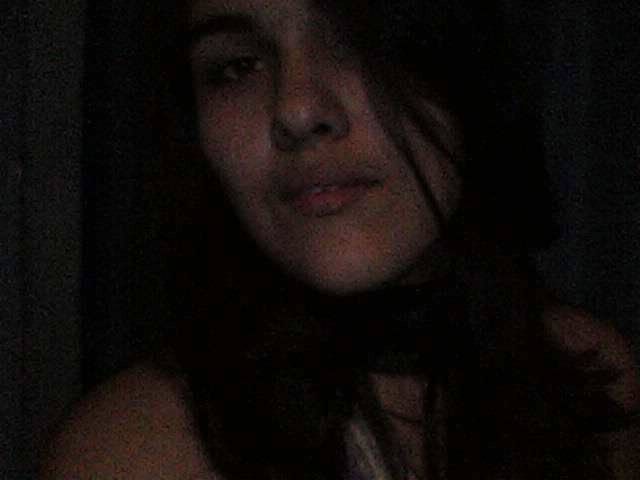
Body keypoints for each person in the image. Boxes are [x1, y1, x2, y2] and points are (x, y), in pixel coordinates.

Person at [41, 0, 640, 479]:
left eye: (355, 36)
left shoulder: (591, 380)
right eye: (236, 67)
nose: (297, 110)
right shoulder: (133, 451)